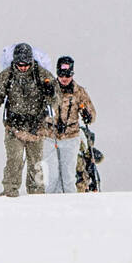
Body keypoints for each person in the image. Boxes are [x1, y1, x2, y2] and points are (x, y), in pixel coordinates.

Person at [0, 42, 55, 197]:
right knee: (14, 160)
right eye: (19, 64)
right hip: (14, 127)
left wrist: (51, 92)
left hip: (37, 127)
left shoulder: (42, 75)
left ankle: (37, 193)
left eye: (26, 64)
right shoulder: (7, 75)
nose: (23, 67)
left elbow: (55, 99)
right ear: (14, 62)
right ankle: (9, 191)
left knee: (36, 163)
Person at [46, 56, 96, 193]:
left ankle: (69, 205)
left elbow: (92, 115)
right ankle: (50, 205)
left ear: (72, 74)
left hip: (71, 137)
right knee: (52, 176)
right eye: (61, 74)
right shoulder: (49, 89)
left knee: (68, 176)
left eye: (67, 75)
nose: (64, 78)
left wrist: (87, 115)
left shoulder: (79, 92)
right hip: (50, 137)